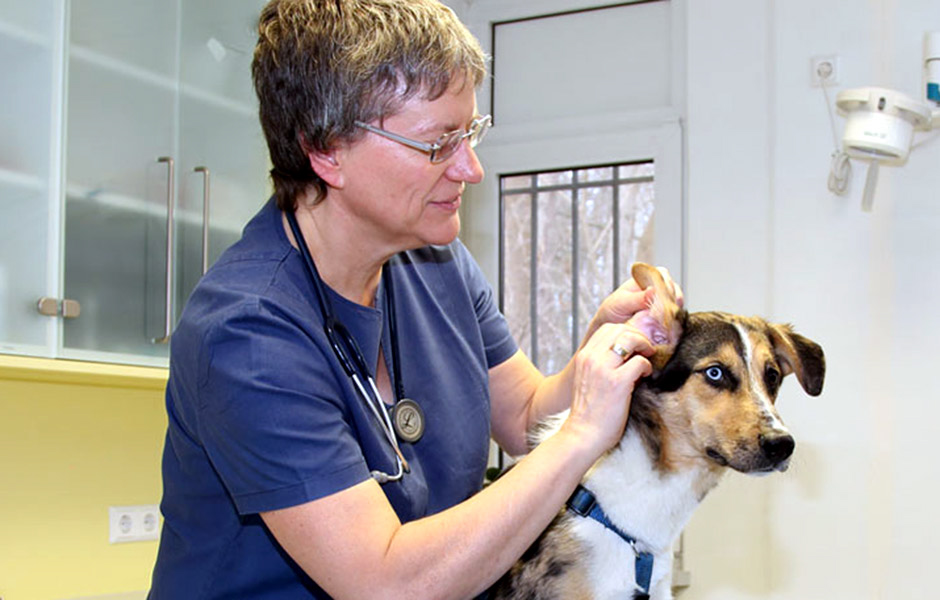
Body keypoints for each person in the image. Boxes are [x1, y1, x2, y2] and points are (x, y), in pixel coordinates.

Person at [148, 1, 681, 598]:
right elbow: (386, 585)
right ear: (326, 151)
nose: (471, 169)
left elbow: (527, 417)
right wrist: (581, 434)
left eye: (470, 133)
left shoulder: (435, 262)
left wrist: (599, 358)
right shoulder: (248, 332)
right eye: (439, 143)